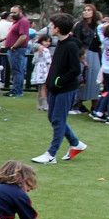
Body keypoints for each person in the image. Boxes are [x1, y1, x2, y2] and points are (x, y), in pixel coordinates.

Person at [32, 13, 86, 164]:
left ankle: (51, 155)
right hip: (55, 88)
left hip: (66, 88)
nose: (49, 27)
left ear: (58, 28)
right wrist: (51, 83)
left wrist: (58, 81)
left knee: (58, 119)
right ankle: (75, 143)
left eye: (51, 25)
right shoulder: (61, 43)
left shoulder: (71, 46)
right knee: (53, 118)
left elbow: (75, 70)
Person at [72, 4, 101, 111]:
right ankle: (78, 103)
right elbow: (77, 40)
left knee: (95, 79)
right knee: (82, 78)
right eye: (85, 10)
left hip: (95, 53)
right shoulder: (79, 25)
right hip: (83, 53)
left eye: (89, 10)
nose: (86, 12)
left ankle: (95, 104)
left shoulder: (98, 26)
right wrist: (81, 55)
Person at [4, 5, 31, 97]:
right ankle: (15, 90)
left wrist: (14, 46)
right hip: (15, 49)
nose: (12, 14)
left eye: (14, 12)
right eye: (11, 12)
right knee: (16, 70)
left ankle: (17, 91)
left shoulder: (23, 21)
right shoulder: (17, 21)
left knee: (17, 70)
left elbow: (23, 36)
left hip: (17, 50)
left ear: (20, 11)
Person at [31, 35, 51, 111]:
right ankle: (45, 105)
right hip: (44, 70)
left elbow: (34, 61)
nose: (47, 43)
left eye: (49, 41)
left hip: (38, 70)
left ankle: (39, 105)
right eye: (46, 41)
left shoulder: (37, 50)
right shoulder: (46, 50)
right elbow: (48, 61)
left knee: (40, 88)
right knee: (44, 87)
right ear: (41, 41)